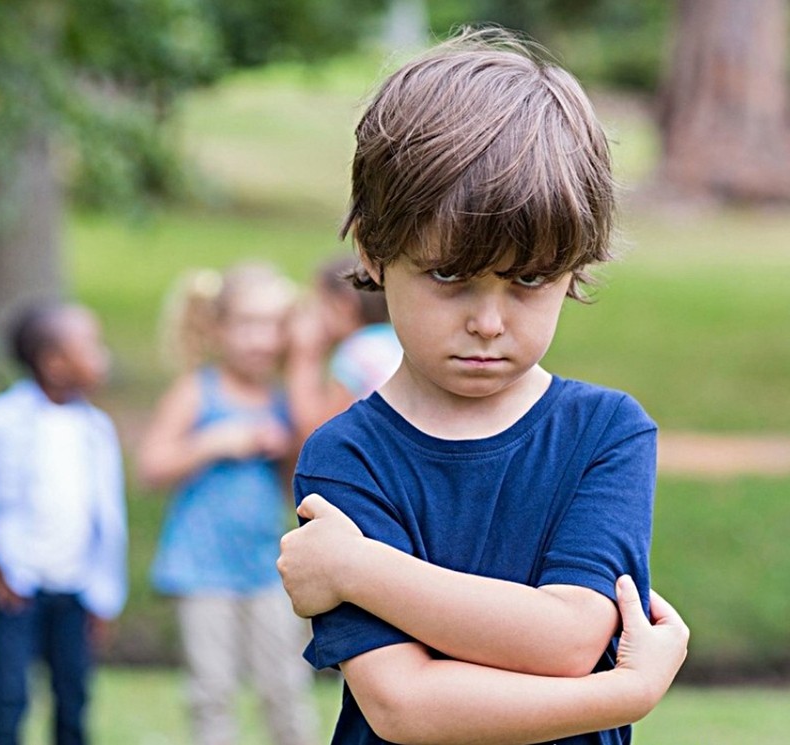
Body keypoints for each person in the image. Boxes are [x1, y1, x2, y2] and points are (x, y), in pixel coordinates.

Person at [275, 30, 689, 745]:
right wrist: (622, 689)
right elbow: (407, 707)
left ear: (575, 266)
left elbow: (564, 637)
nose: (490, 322)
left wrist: (355, 567)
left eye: (529, 280)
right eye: (449, 277)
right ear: (375, 253)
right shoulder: (346, 454)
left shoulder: (607, 433)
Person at [138, 264, 318, 745]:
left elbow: (298, 489)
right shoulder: (198, 392)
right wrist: (214, 443)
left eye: (273, 325)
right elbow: (150, 468)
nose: (260, 339)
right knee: (211, 690)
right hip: (202, 571)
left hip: (266, 569)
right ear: (217, 329)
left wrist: (287, 440)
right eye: (247, 324)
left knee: (285, 685)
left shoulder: (283, 400)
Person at [0, 301, 127, 745]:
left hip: (77, 587)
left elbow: (107, 516)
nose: (103, 356)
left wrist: (105, 592)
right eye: (91, 346)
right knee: (9, 695)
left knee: (74, 695)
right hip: (15, 585)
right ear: (55, 363)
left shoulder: (97, 429)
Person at [287, 255, 404, 440]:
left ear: (344, 304)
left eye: (317, 302)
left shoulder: (359, 352)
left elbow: (316, 432)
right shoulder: (393, 341)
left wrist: (304, 354)